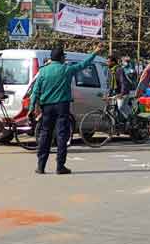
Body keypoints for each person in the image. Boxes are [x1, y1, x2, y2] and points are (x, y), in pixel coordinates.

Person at [30, 46, 102, 175]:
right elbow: (83, 64)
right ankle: (60, 166)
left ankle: (41, 166)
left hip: (46, 107)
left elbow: (35, 91)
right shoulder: (67, 69)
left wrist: (32, 108)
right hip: (62, 106)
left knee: (45, 135)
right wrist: (95, 52)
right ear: (62, 58)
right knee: (62, 135)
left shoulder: (43, 71)